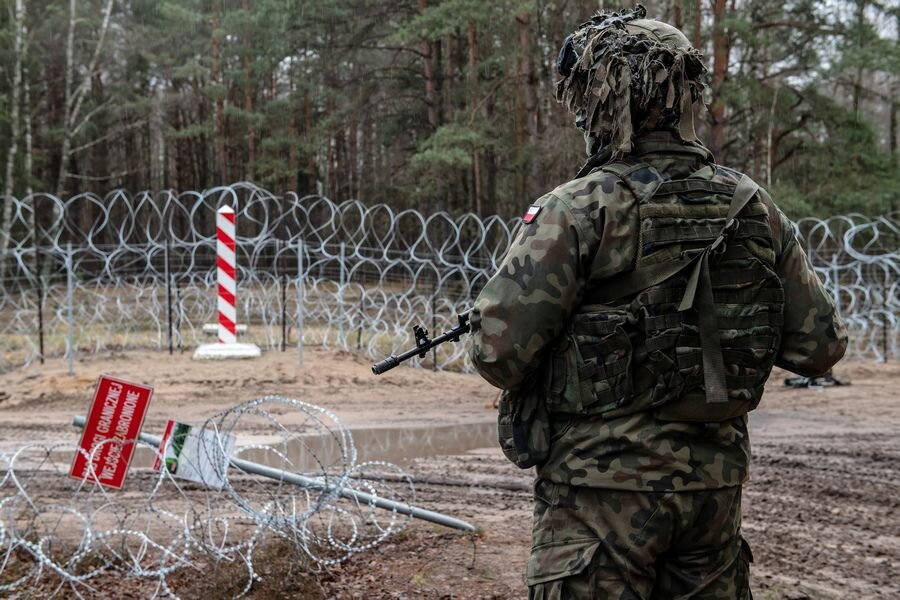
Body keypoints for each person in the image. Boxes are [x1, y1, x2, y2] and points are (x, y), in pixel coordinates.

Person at [468, 5, 848, 599]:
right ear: (683, 94)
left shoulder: (578, 208)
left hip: (599, 497)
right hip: (711, 498)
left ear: (601, 97)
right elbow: (819, 348)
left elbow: (499, 354)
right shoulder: (753, 206)